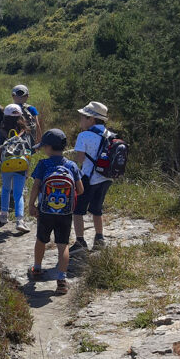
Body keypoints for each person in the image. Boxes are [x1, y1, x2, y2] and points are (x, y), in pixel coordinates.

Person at [27, 129, 84, 295]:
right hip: (65, 213)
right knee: (62, 245)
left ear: (49, 147)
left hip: (45, 211)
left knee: (41, 239)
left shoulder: (43, 164)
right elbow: (80, 189)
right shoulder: (71, 165)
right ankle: (61, 280)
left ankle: (37, 269)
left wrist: (32, 205)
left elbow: (36, 186)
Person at [72, 101, 113, 252]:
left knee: (77, 210)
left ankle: (80, 242)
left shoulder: (83, 136)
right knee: (97, 209)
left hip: (88, 178)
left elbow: (80, 159)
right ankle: (99, 238)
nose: (81, 120)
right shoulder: (110, 134)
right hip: (106, 178)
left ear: (92, 119)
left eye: (83, 117)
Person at [0, 103, 32, 232]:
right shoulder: (25, 133)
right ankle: (20, 220)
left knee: (5, 189)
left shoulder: (1, 132)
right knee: (18, 194)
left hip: (6, 166)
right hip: (21, 166)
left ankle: (3, 215)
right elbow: (28, 153)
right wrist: (27, 170)